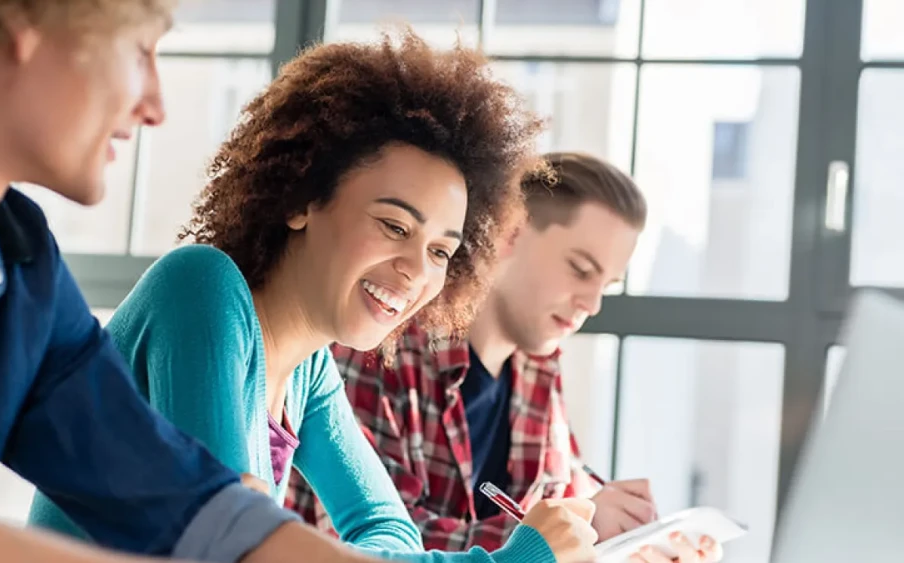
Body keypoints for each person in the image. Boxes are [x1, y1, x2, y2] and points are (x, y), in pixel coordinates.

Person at [28, 29, 601, 563]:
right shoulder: (202, 290)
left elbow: (391, 530)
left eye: (440, 251)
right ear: (302, 201)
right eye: (395, 227)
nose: (414, 271)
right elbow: (232, 550)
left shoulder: (309, 372)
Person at [0, 1, 407, 562]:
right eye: (139, 49)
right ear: (17, 19)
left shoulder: (21, 269)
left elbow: (192, 505)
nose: (156, 107)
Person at [285, 152, 725, 563]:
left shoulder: (541, 366)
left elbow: (564, 501)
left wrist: (624, 538)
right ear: (509, 234)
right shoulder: (377, 342)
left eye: (606, 285)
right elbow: (378, 545)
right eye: (581, 270)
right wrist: (555, 538)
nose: (592, 304)